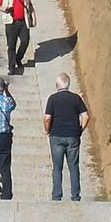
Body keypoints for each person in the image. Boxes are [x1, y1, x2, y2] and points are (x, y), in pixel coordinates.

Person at [44, 72, 89, 202]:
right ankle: (75, 196)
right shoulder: (76, 98)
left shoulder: (52, 98)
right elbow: (86, 117)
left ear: (57, 85)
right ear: (68, 84)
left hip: (56, 135)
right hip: (73, 135)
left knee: (57, 167)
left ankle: (57, 196)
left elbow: (47, 118)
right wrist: (80, 129)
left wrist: (47, 130)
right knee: (74, 166)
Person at [0, 0, 36, 75]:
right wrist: (3, 9)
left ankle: (18, 59)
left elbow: (31, 7)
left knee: (25, 41)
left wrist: (34, 19)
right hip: (10, 23)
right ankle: (11, 67)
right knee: (11, 46)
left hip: (23, 22)